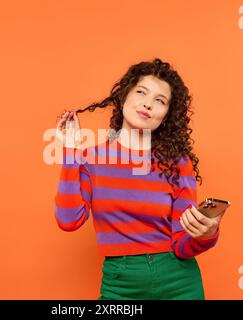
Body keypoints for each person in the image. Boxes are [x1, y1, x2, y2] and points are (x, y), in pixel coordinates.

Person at [53, 58, 227, 300]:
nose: (148, 104)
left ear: (165, 116)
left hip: (179, 283)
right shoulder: (91, 160)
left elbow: (182, 244)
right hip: (121, 285)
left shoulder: (177, 164)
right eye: (141, 93)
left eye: (160, 100)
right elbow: (68, 220)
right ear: (124, 96)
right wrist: (71, 152)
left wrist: (206, 234)